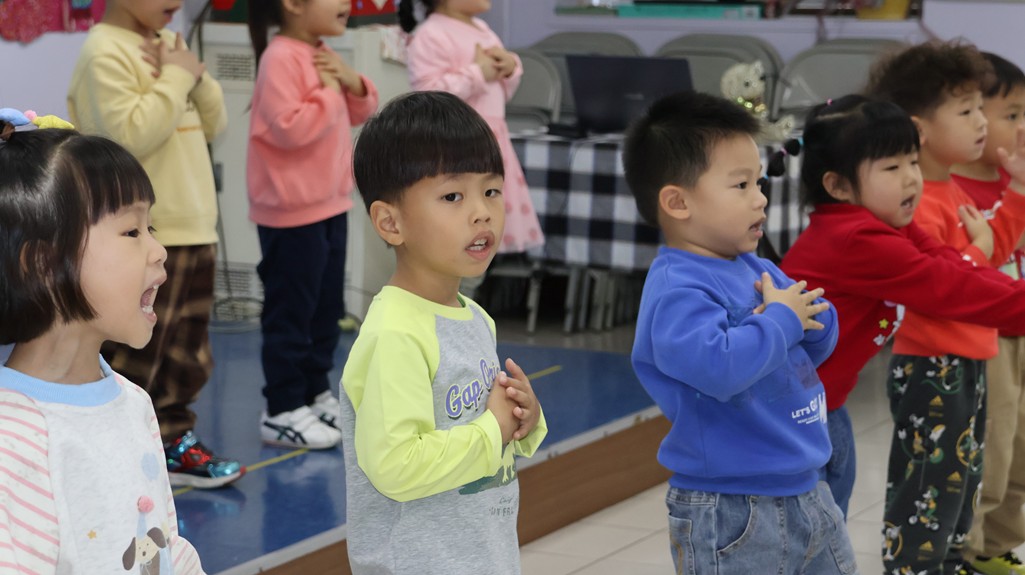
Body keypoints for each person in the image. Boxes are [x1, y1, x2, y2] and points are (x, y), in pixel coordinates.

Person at [623, 90, 856, 574]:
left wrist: (814, 322)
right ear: (678, 202)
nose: (760, 198)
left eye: (760, 182)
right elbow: (721, 367)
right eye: (741, 185)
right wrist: (782, 321)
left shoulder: (755, 266)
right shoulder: (676, 290)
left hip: (807, 486)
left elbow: (807, 342)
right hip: (732, 506)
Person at [780, 95, 1025, 525]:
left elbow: (951, 269)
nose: (912, 177)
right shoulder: (857, 239)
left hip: (824, 404)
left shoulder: (888, 225)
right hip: (788, 417)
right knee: (807, 538)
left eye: (913, 161)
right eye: (892, 168)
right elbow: (952, 289)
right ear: (838, 186)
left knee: (826, 536)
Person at [340, 90, 547, 574]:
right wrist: (494, 428)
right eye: (453, 196)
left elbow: (486, 432)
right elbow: (396, 466)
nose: (481, 212)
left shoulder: (473, 317)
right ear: (390, 222)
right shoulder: (396, 334)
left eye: (491, 191)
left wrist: (525, 418)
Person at [0, 121, 205, 573]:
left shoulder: (134, 403)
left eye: (152, 227)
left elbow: (163, 545)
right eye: (132, 232)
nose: (159, 250)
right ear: (42, 262)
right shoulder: (12, 437)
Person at [66, 0, 243, 487]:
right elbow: (124, 139)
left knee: (187, 351)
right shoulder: (105, 51)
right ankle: (114, 452)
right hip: (146, 233)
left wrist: (193, 75)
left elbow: (216, 123)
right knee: (136, 352)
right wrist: (178, 77)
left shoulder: (170, 46)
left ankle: (170, 440)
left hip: (195, 224)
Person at [865, 40, 1025, 574]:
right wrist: (977, 251)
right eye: (966, 111)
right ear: (920, 129)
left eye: (981, 108)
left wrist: (1017, 193)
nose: (981, 122)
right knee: (928, 490)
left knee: (963, 481)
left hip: (968, 357)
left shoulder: (949, 188)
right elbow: (943, 282)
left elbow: (990, 258)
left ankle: (954, 562)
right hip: (932, 365)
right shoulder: (916, 202)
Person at [246, 0, 379, 449]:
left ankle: (314, 391)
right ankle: (282, 407)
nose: (345, 3)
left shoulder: (320, 53)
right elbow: (289, 129)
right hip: (291, 211)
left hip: (329, 204)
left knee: (325, 308)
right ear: (294, 4)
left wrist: (351, 81)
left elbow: (360, 110)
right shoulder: (280, 57)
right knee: (291, 310)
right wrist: (328, 90)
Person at [400, 0, 544, 295]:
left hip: (489, 149)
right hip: (455, 152)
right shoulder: (431, 34)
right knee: (455, 241)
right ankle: (445, 307)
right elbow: (428, 98)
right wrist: (478, 73)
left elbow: (500, 92)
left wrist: (509, 68)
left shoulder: (483, 29)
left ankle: (464, 306)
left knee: (482, 236)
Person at [951, 52, 1025, 575]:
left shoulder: (1014, 178)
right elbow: (983, 256)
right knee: (990, 451)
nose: (1023, 127)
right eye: (1012, 115)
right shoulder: (950, 191)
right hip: (987, 338)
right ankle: (966, 551)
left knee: (1021, 452)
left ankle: (995, 545)